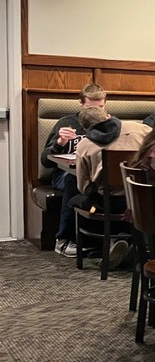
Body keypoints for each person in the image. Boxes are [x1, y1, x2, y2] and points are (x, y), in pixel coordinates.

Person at [73, 107, 150, 266]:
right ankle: (130, 242)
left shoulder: (85, 145)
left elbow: (85, 187)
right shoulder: (141, 129)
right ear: (108, 116)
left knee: (76, 200)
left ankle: (111, 243)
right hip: (141, 197)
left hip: (110, 203)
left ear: (85, 128)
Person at [41, 83, 106, 257]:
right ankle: (63, 240)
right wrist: (60, 143)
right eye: (90, 108)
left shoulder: (110, 125)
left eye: (100, 108)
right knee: (74, 178)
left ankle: (115, 239)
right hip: (65, 174)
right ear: (81, 104)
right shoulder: (67, 123)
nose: (95, 114)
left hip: (99, 175)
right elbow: (45, 161)